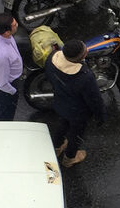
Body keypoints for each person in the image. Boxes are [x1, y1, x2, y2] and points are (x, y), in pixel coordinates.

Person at [44, 39, 105, 167]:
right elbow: (94, 100)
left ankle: (57, 147)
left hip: (60, 103)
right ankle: (69, 158)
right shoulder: (84, 76)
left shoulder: (51, 59)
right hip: (78, 112)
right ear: (81, 57)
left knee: (62, 125)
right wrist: (100, 117)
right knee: (76, 134)